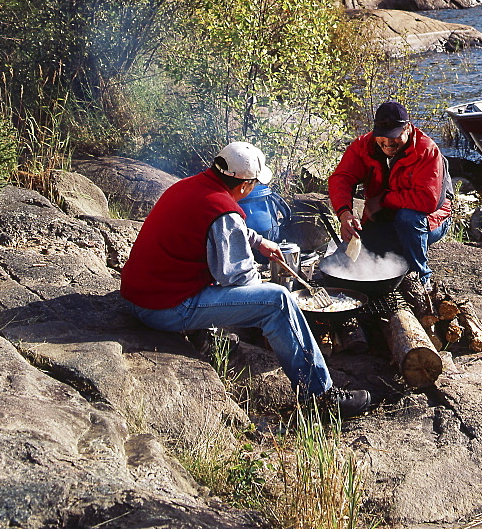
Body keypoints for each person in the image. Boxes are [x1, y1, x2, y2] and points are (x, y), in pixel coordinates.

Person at [120, 141, 371, 419]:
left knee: (267, 297)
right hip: (163, 309)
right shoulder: (224, 211)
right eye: (254, 184)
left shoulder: (191, 186)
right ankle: (322, 398)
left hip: (140, 295)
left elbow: (223, 227)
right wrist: (264, 290)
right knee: (277, 301)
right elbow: (237, 278)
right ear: (244, 185)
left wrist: (259, 241)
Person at [328, 101, 452, 291]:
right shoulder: (364, 146)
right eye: (382, 137)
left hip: (430, 220)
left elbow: (427, 200)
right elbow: (341, 179)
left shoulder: (426, 150)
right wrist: (344, 214)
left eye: (394, 136)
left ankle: (421, 277)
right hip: (387, 216)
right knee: (355, 254)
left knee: (407, 219)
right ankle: (399, 249)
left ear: (408, 128)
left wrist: (384, 200)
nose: (388, 143)